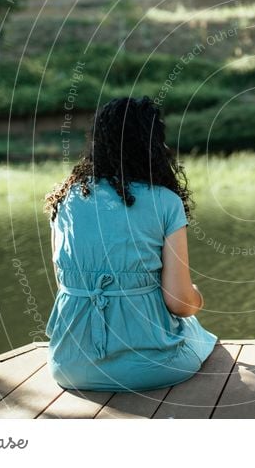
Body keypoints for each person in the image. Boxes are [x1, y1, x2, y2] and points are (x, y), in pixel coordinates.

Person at [43, 96, 217, 391]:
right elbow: (179, 303)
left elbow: (64, 281)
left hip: (70, 365)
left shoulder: (65, 198)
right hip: (152, 366)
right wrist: (197, 297)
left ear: (97, 142)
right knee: (197, 333)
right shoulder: (165, 202)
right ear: (153, 145)